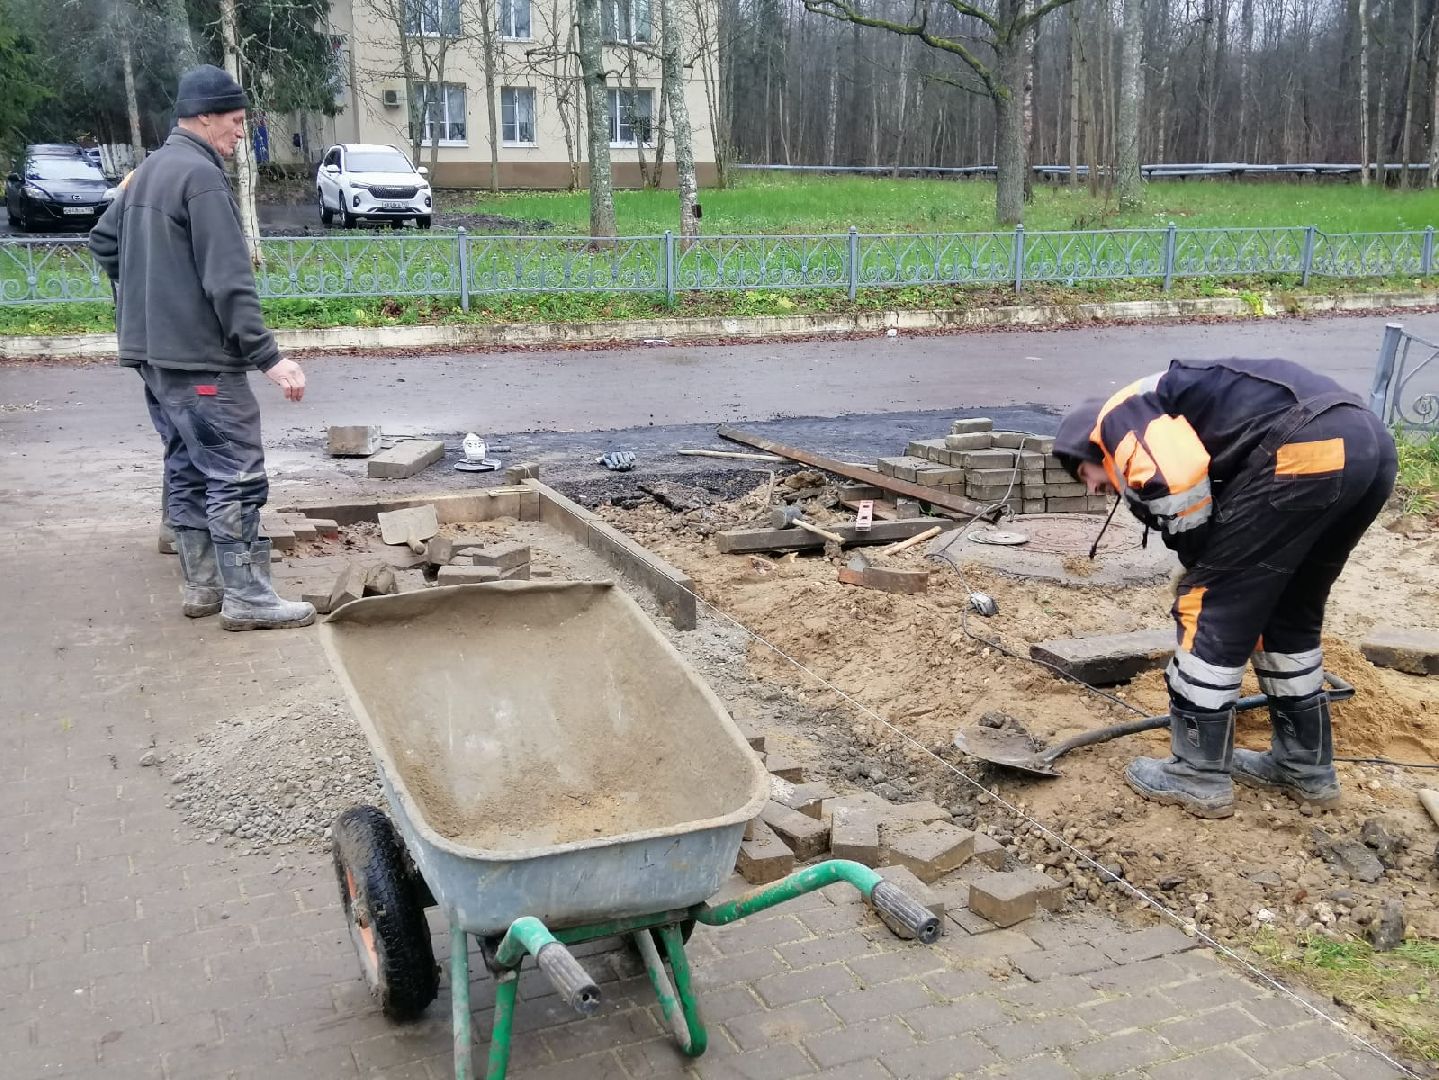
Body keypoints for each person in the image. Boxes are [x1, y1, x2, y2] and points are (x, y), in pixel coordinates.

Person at [1053, 358, 1396, 819]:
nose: (1096, 489)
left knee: (1209, 606)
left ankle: (1195, 774)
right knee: (1287, 615)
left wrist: (1203, 568)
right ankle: (1305, 768)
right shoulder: (1174, 399)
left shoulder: (1118, 415)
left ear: (1088, 449)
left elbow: (1174, 483)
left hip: (1305, 450)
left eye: (1086, 477)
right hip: (1367, 449)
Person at [89, 64, 315, 632]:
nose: (242, 132)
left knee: (188, 465)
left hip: (153, 357)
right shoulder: (200, 177)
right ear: (206, 116)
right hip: (200, 362)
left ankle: (204, 587)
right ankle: (249, 599)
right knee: (236, 472)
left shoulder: (149, 172)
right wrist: (270, 357)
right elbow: (228, 280)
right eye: (237, 121)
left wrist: (155, 290)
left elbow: (104, 241)